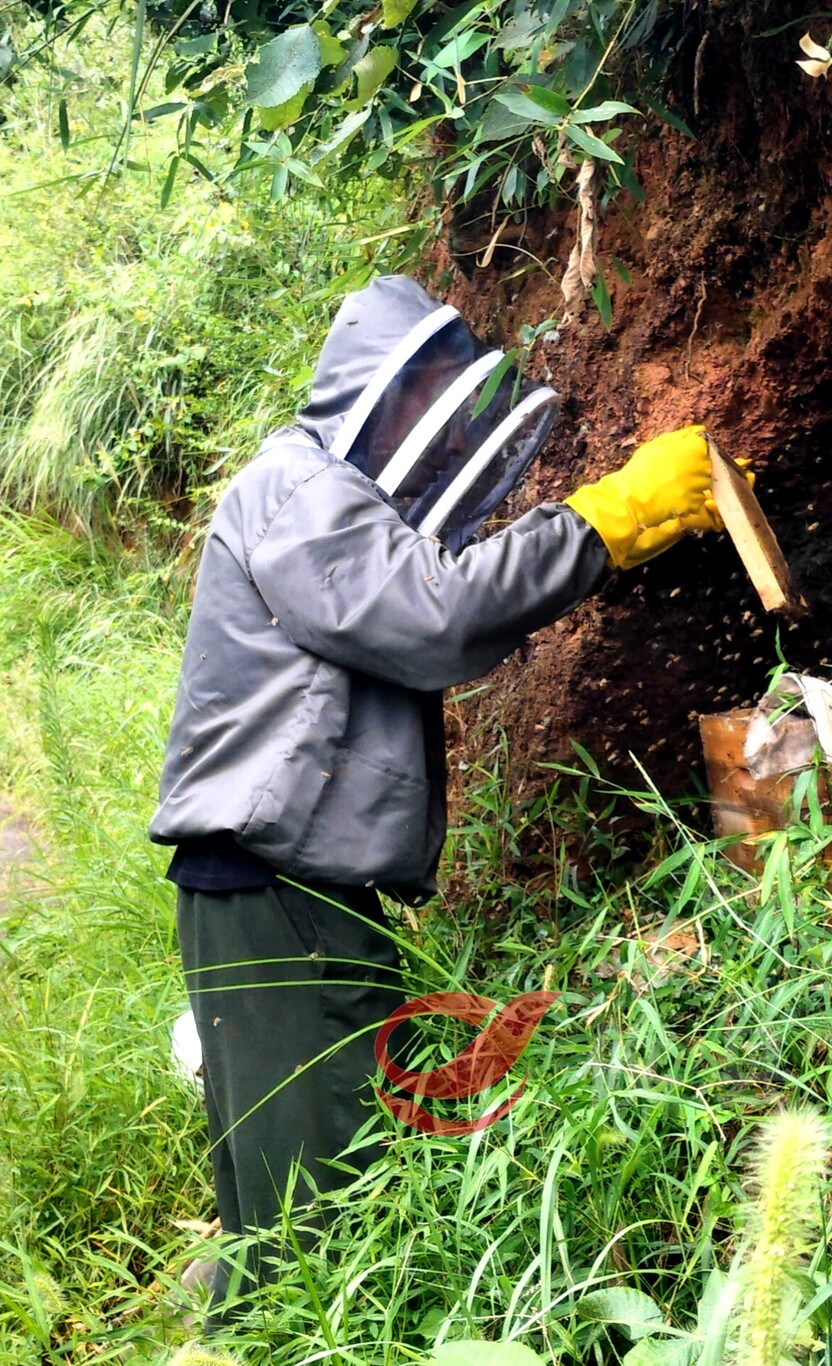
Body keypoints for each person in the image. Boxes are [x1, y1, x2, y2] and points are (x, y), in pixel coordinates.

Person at [148, 275, 727, 1309]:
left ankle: (235, 1315)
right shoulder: (298, 490)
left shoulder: (326, 501)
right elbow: (435, 617)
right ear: (385, 388)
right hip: (269, 896)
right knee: (315, 1222)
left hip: (299, 897)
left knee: (340, 1176)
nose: (451, 430)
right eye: (436, 400)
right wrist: (604, 520)